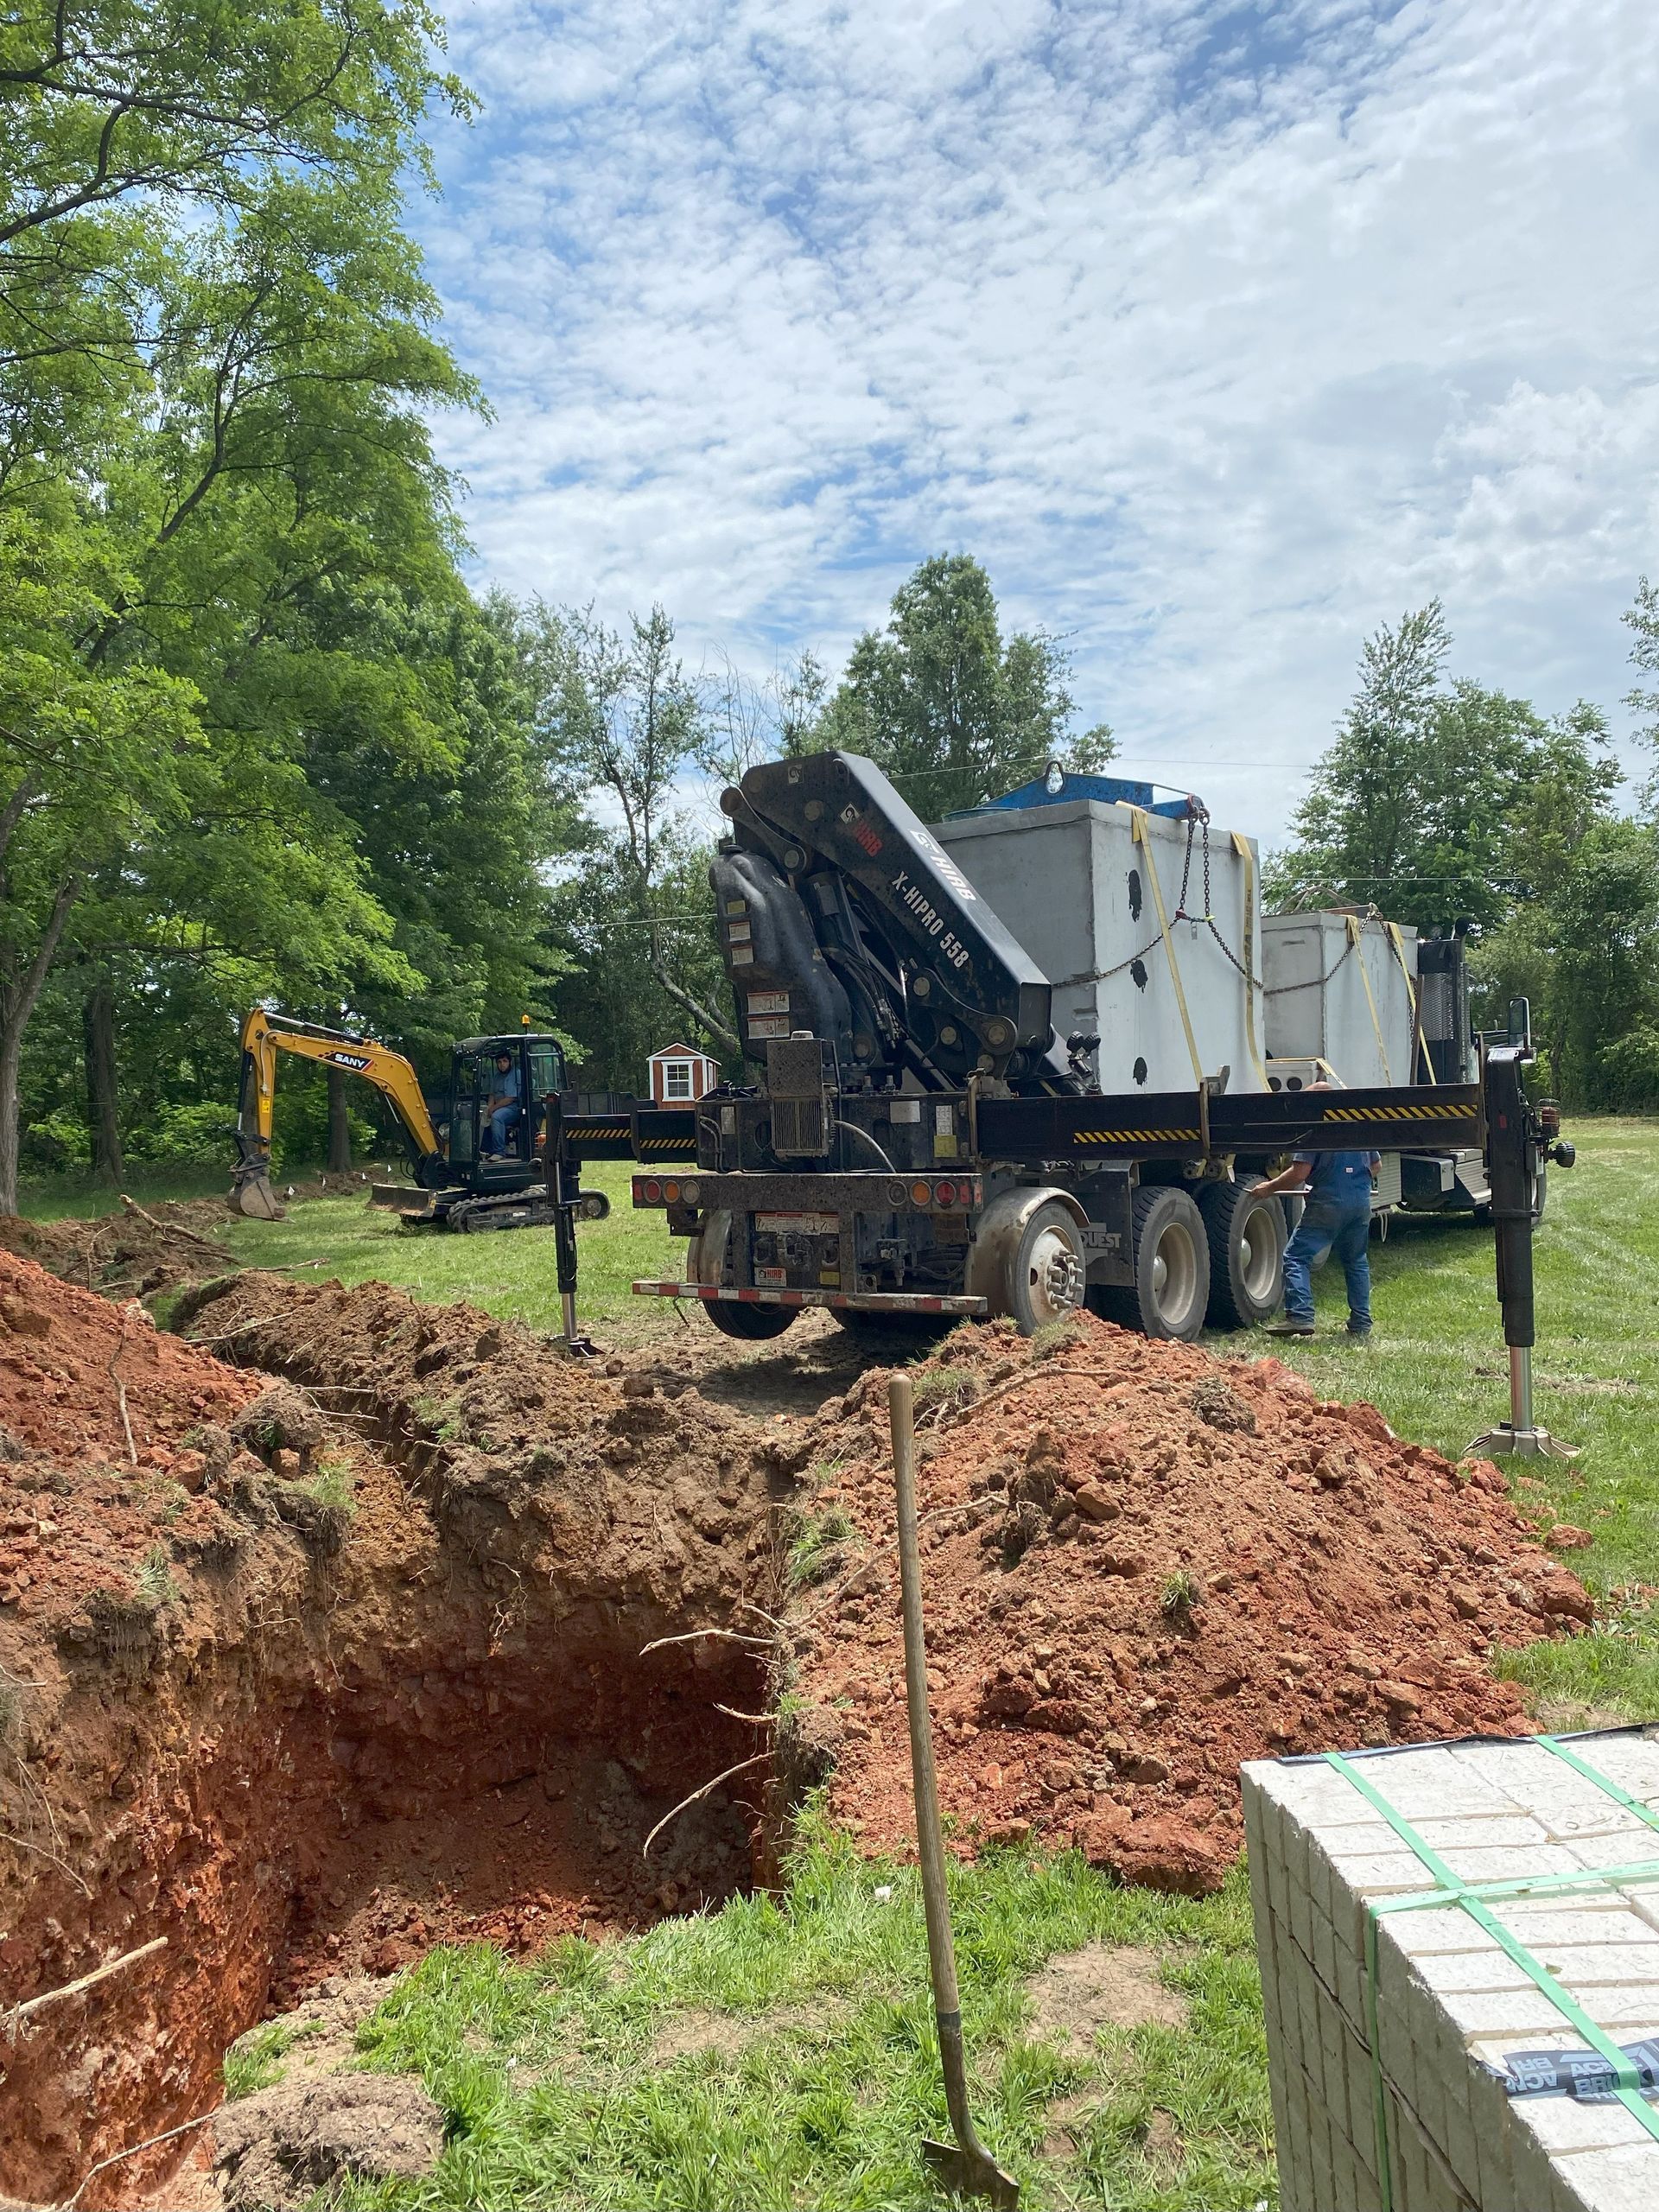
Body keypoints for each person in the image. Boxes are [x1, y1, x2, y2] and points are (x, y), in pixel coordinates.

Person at [1250, 1111, 1380, 1339]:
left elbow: (1300, 1172)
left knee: (1296, 1257)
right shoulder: (1357, 1129)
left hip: (1328, 1204)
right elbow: (1376, 1166)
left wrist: (1268, 1188)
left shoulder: (1316, 1133)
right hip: (1360, 1203)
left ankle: (1300, 1315)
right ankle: (1361, 1323)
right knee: (1356, 1261)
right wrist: (1349, 1182)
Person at [481, 1049, 522, 1156]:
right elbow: (492, 1094)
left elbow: (510, 1098)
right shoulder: (497, 1077)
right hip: (498, 1106)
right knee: (482, 1116)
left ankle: (499, 1151)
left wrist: (493, 1109)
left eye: (504, 1061)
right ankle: (484, 1150)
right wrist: (489, 1108)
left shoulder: (515, 1075)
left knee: (496, 1117)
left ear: (510, 1062)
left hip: (513, 1108)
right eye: (499, 1062)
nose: (502, 1064)